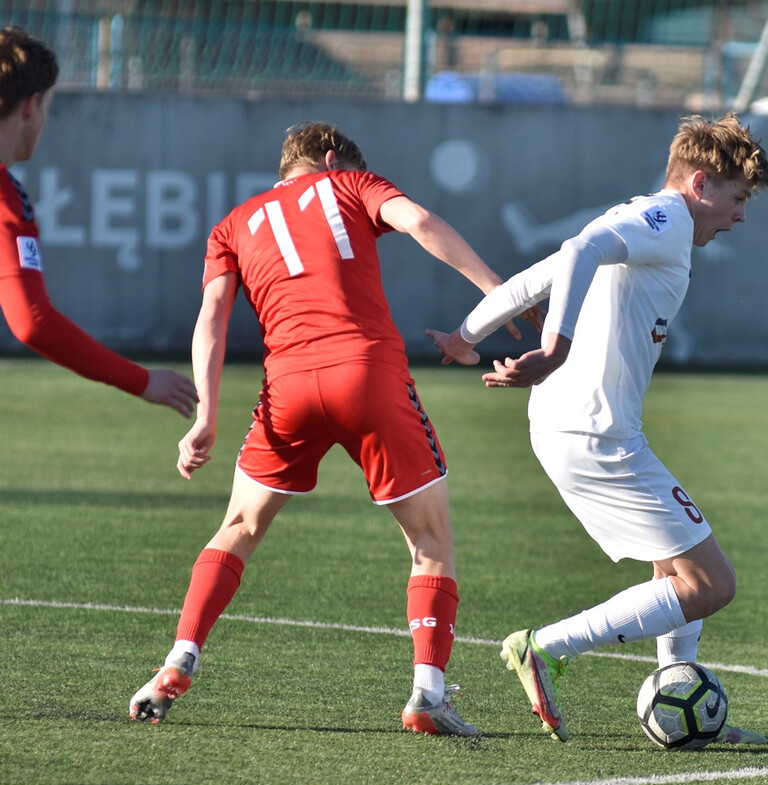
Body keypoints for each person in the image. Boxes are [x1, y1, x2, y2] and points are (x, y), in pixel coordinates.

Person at [129, 120, 517, 736]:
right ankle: (428, 693)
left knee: (239, 526)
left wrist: (206, 412)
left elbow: (211, 316)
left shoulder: (232, 225)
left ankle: (180, 657)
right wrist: (501, 294)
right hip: (367, 373)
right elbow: (419, 222)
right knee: (430, 543)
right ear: (332, 158)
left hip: (287, 386)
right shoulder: (351, 183)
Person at [427, 113, 768, 744]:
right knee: (713, 584)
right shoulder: (665, 221)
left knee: (677, 564)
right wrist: (555, 349)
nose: (742, 215)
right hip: (594, 434)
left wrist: (465, 334)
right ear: (700, 183)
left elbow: (543, 272)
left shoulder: (644, 218)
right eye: (739, 198)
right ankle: (546, 647)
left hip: (581, 428)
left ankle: (680, 694)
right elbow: (579, 253)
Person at [0, 26, 197, 417]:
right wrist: (142, 380)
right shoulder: (5, 197)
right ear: (30, 106)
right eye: (47, 107)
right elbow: (32, 321)